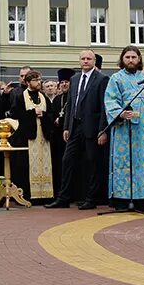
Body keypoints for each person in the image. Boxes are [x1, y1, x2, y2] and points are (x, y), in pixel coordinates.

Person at [101, 46, 144, 212]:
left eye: (134, 57)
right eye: (127, 57)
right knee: (124, 162)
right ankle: (123, 199)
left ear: (139, 59)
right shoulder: (116, 78)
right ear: (122, 59)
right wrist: (120, 113)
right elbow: (110, 100)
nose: (131, 60)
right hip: (124, 128)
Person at [47, 51, 110, 209]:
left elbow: (104, 107)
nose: (86, 61)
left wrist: (103, 130)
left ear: (94, 61)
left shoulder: (102, 79)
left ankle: (91, 198)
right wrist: (67, 127)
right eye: (83, 59)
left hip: (93, 127)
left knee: (92, 163)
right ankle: (64, 198)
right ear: (79, 61)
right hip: (75, 126)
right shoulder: (74, 79)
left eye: (89, 59)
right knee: (67, 160)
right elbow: (70, 104)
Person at [7, 70, 56, 201]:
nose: (39, 82)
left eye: (40, 79)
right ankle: (29, 195)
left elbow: (51, 114)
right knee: (25, 166)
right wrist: (32, 113)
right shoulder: (20, 97)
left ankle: (45, 195)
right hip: (27, 137)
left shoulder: (43, 97)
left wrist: (43, 115)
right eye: (35, 80)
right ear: (28, 82)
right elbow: (15, 115)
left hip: (43, 137)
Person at [49, 68, 73, 195]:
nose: (64, 84)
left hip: (70, 135)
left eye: (66, 82)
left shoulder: (74, 97)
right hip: (58, 137)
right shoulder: (58, 99)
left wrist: (62, 119)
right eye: (62, 82)